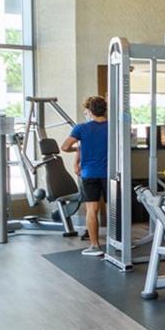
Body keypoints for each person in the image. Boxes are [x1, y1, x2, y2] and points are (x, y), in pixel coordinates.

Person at [62, 95, 109, 257]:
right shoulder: (113, 127)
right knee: (116, 208)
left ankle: (95, 246)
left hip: (89, 174)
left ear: (89, 111)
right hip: (110, 174)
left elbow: (65, 147)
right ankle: (120, 243)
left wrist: (78, 149)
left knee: (92, 209)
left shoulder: (81, 128)